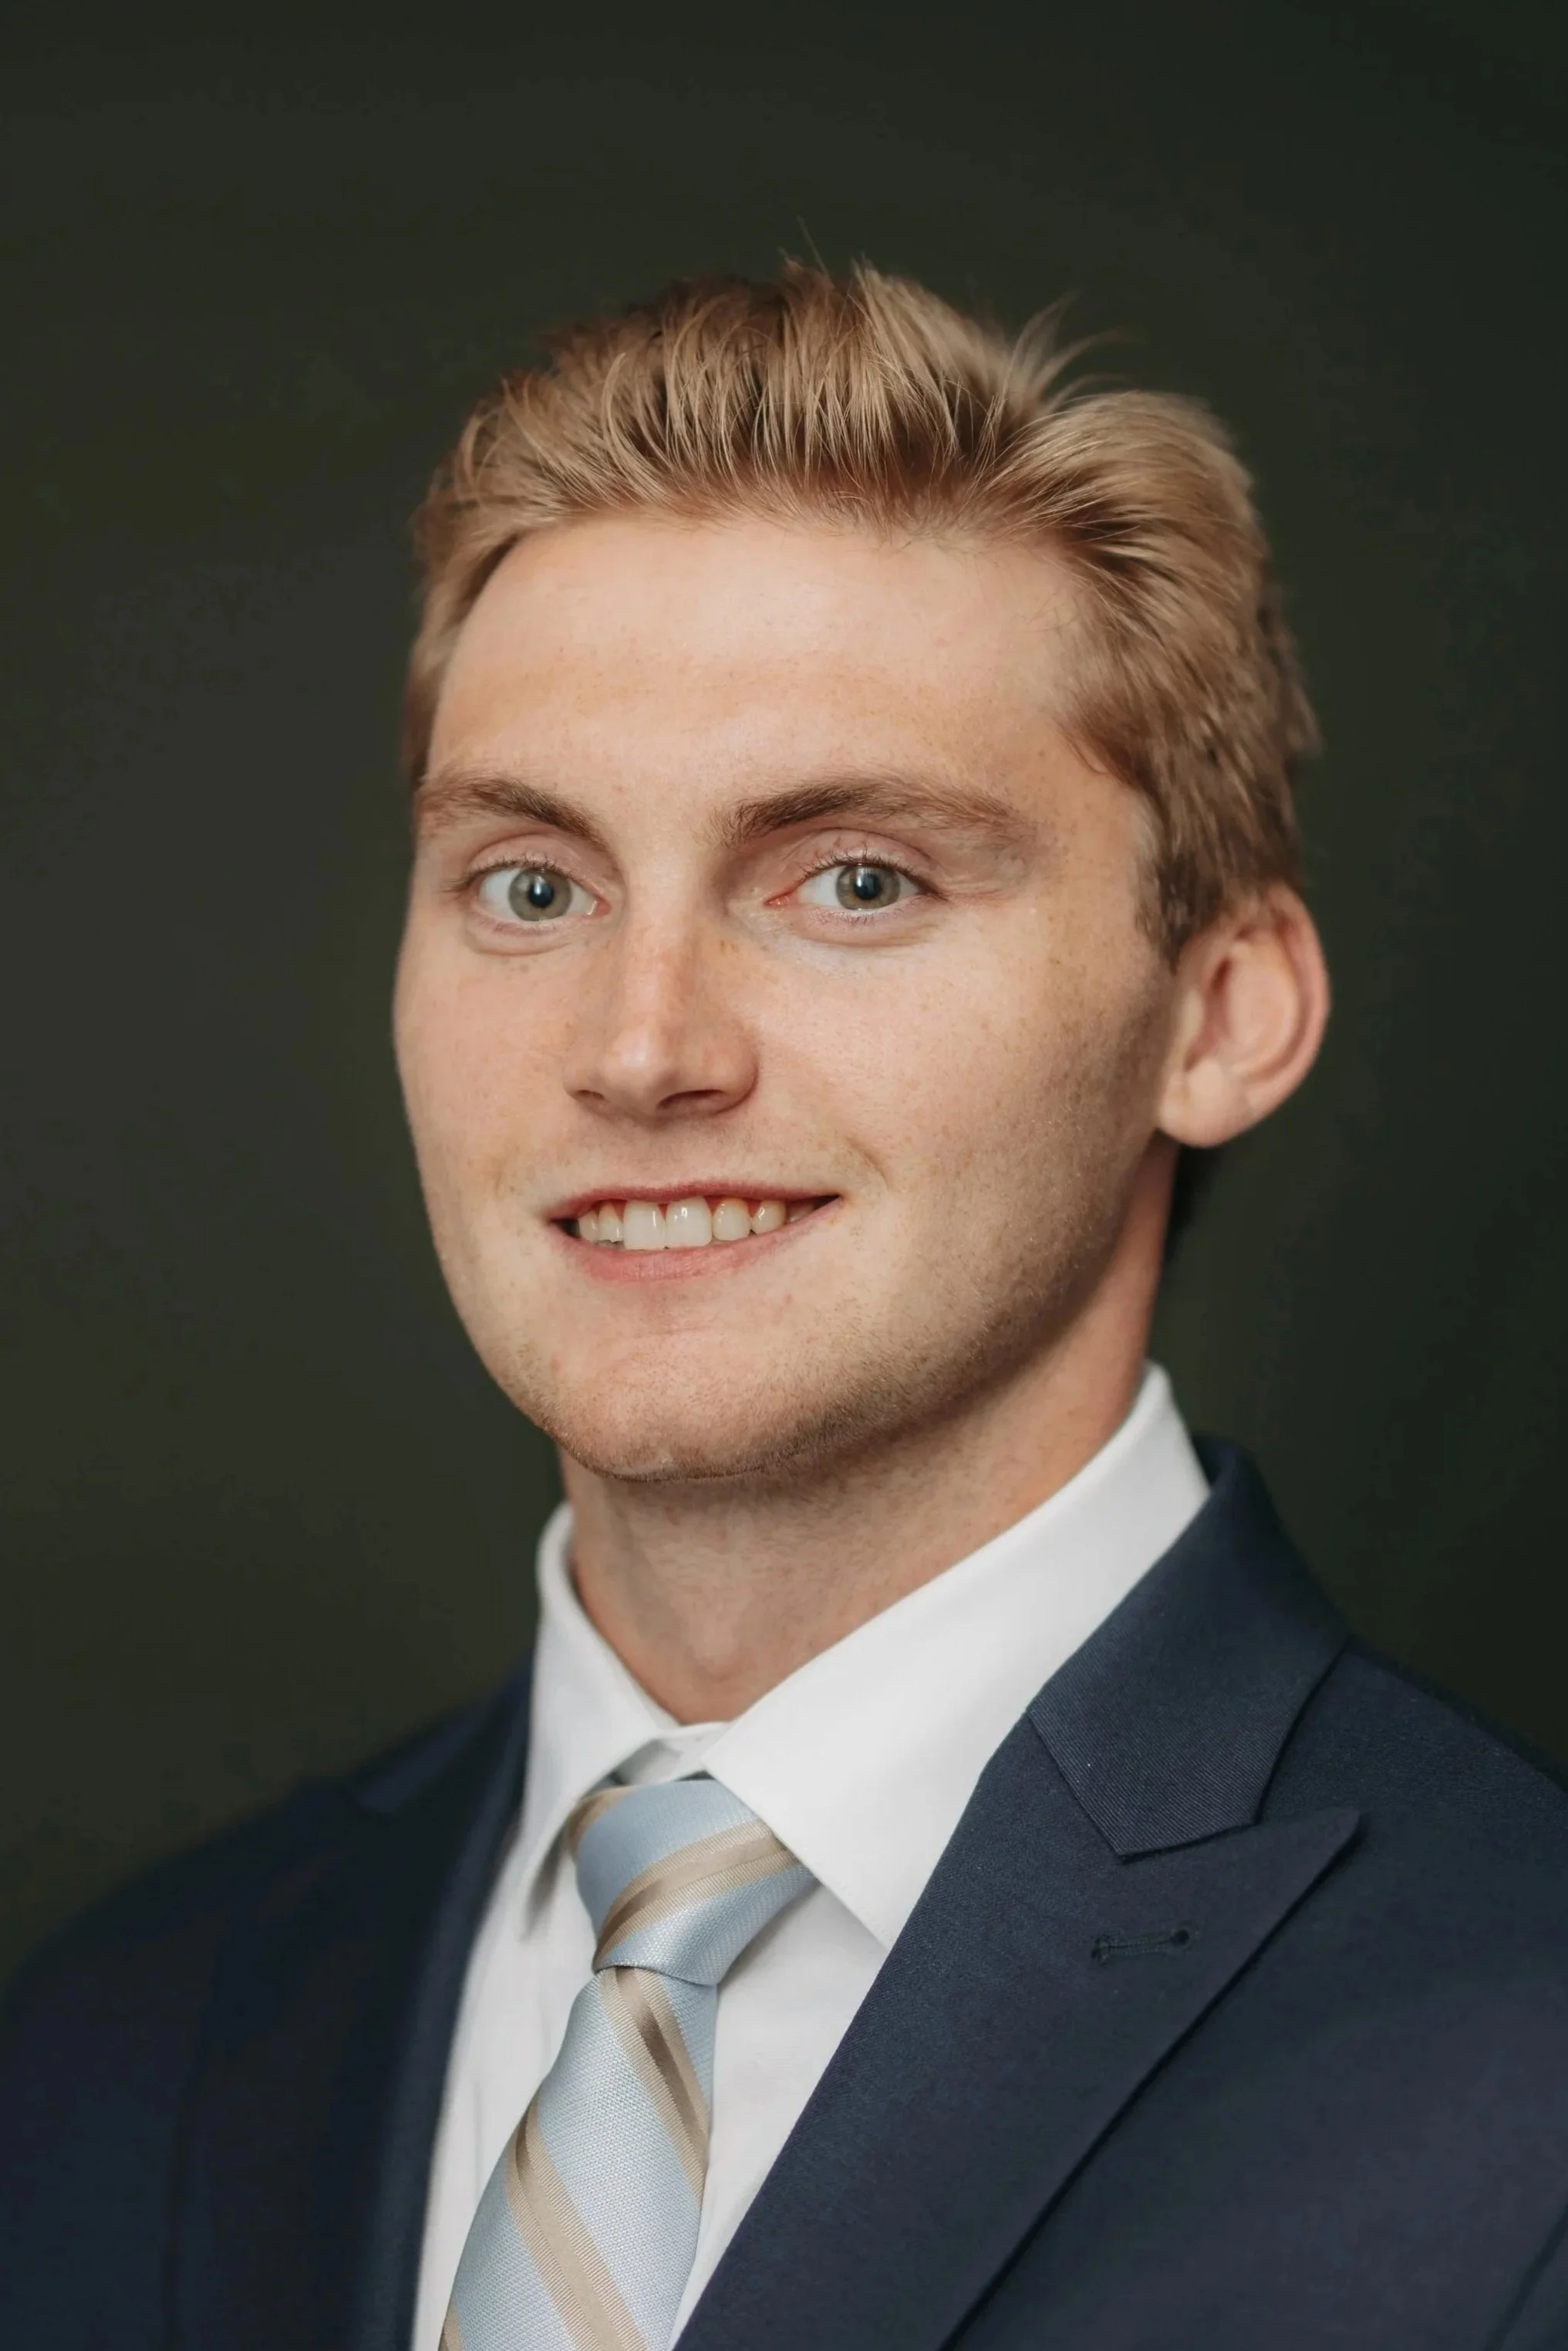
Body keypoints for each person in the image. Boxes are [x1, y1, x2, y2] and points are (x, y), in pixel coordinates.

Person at [5, 262, 1568, 2351]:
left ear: (1220, 1010)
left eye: (854, 880)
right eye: (532, 886)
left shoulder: (1523, 2053)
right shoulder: (109, 2048)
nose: (641, 1050)